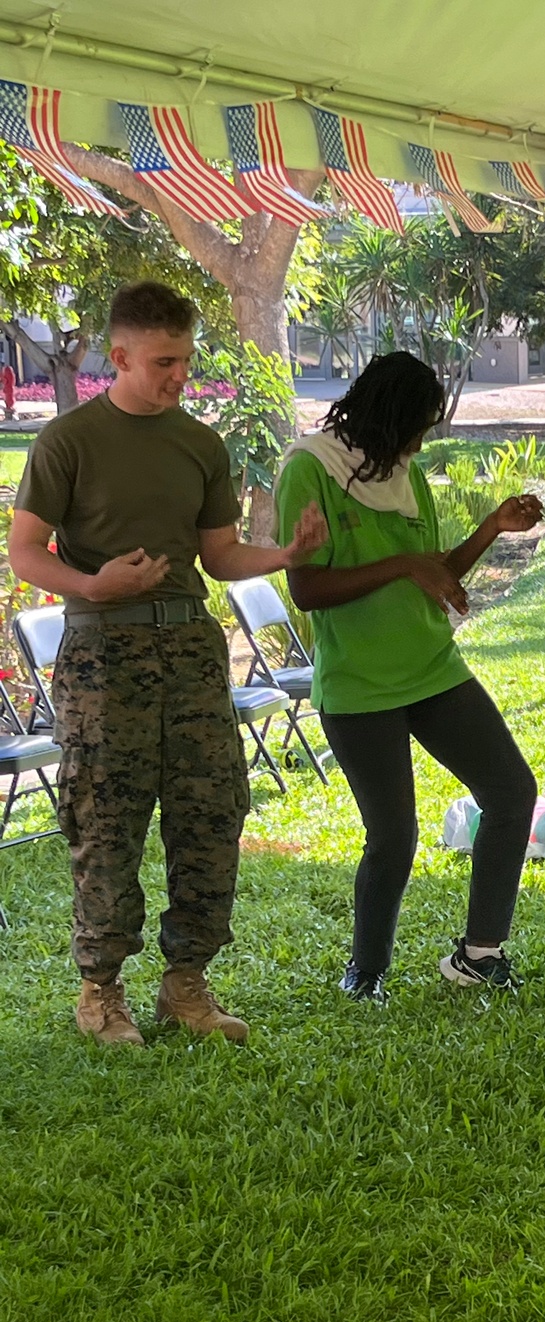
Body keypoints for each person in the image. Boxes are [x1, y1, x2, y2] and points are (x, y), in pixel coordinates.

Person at [8, 281, 328, 1045]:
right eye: (162, 362)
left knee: (210, 812)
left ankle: (186, 985)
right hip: (101, 654)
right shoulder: (68, 440)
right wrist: (91, 583)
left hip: (189, 647)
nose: (178, 376)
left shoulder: (199, 443)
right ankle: (101, 993)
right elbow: (23, 551)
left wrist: (282, 554)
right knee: (106, 820)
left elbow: (219, 556)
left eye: (184, 360)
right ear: (117, 357)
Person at [275, 351, 541, 1002]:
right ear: (386, 415)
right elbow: (307, 588)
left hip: (431, 669)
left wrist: (493, 527)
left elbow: (435, 569)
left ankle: (480, 954)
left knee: (511, 792)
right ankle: (365, 973)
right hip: (358, 685)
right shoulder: (309, 469)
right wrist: (401, 566)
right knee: (393, 838)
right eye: (418, 425)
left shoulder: (405, 471)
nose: (423, 440)